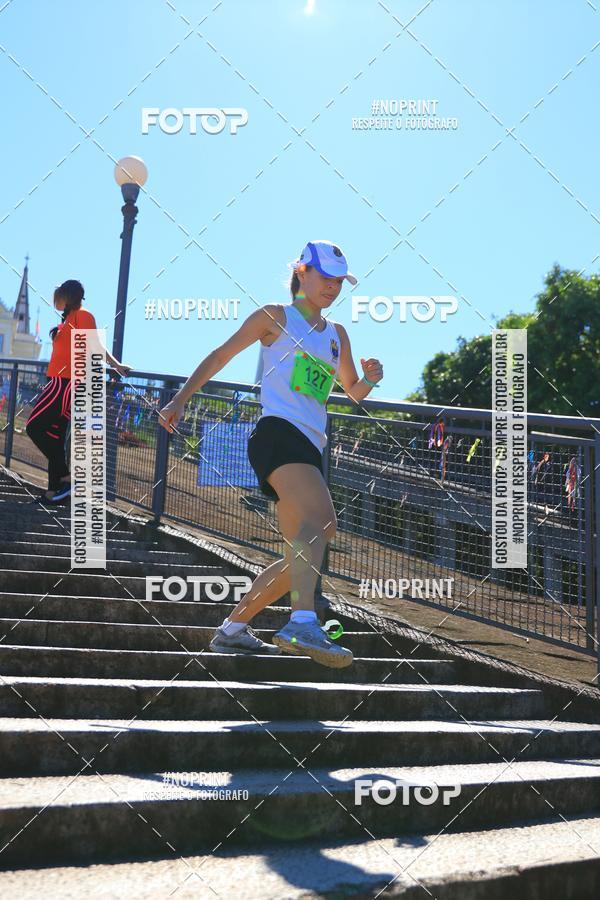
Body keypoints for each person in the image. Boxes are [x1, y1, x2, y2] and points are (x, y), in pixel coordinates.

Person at [159, 240, 383, 667]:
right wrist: (181, 398)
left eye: (340, 282)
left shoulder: (338, 336)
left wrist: (369, 379)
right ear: (301, 272)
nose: (333, 288)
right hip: (278, 434)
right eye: (325, 278)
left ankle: (232, 630)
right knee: (323, 525)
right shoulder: (274, 317)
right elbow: (221, 354)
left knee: (299, 554)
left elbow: (351, 393)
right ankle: (302, 621)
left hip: (311, 444)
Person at [26, 279, 130, 502]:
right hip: (59, 381)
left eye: (61, 295)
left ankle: (67, 476)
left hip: (66, 383)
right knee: (54, 436)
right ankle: (54, 491)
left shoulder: (83, 316)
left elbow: (95, 347)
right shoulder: (67, 319)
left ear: (69, 296)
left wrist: (116, 365)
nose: (57, 300)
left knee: (34, 427)